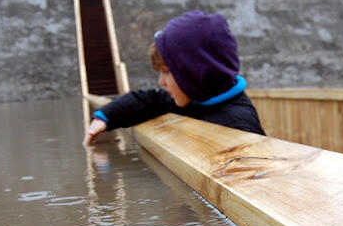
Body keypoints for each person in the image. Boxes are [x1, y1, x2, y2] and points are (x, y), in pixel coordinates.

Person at [83, 10, 265, 146]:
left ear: (195, 73)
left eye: (167, 72)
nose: (161, 82)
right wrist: (104, 117)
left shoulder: (239, 126)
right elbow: (148, 101)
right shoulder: (196, 99)